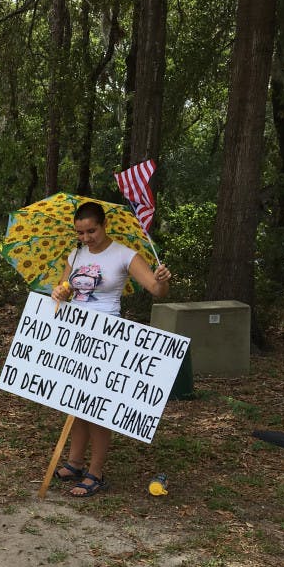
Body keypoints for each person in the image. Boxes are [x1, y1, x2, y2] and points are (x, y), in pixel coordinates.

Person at [50, 200, 172, 497]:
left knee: (97, 408)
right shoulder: (75, 254)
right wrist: (58, 291)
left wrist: (162, 281)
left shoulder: (124, 255)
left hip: (107, 336)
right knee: (75, 401)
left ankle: (96, 472)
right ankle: (75, 462)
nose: (86, 238)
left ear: (104, 226)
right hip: (75, 333)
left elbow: (156, 290)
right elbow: (63, 289)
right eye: (80, 232)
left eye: (91, 231)